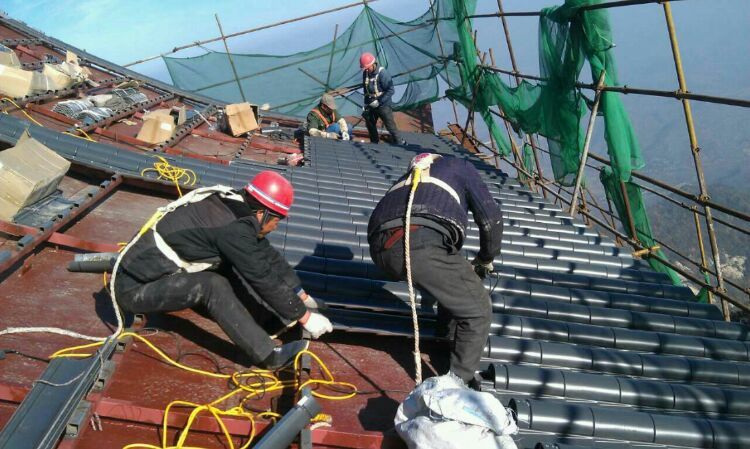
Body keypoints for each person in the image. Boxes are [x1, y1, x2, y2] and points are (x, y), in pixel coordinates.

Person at [112, 171, 333, 370]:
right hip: (135, 288)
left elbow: (267, 254)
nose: (276, 226)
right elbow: (261, 276)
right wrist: (304, 317)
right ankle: (268, 355)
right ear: (262, 213)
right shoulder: (233, 230)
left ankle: (267, 323)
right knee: (211, 285)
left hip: (159, 274)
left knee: (227, 263)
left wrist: (301, 295)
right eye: (277, 220)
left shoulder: (236, 207)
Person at [367, 153, 504, 384]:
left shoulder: (414, 177)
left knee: (451, 280)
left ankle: (444, 337)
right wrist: (485, 258)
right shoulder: (460, 166)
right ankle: (455, 386)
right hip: (418, 244)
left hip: (380, 249)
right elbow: (491, 219)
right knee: (478, 308)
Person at [359, 52, 404, 145]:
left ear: (373, 64)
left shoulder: (383, 73)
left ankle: (400, 143)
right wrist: (366, 104)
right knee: (369, 122)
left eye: (367, 68)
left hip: (383, 104)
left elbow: (391, 90)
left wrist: (379, 101)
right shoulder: (365, 73)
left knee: (390, 126)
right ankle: (374, 143)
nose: (366, 70)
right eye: (365, 68)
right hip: (371, 103)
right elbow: (366, 90)